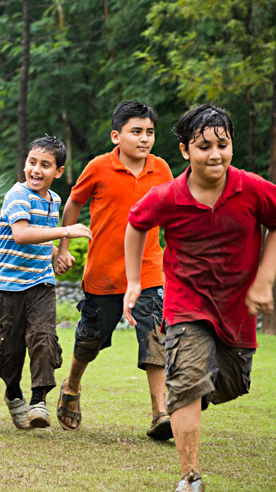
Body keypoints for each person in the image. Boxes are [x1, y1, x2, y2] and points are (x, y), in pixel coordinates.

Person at [124, 104, 276, 492]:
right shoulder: (168, 196)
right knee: (189, 379)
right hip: (185, 305)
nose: (214, 154)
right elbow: (136, 224)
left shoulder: (253, 189)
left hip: (236, 309)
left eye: (222, 145)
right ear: (184, 151)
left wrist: (264, 280)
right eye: (204, 146)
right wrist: (134, 282)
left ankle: (190, 392)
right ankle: (190, 477)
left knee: (232, 383)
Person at [55, 101, 174, 438]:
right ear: (116, 135)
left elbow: (173, 214)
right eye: (136, 132)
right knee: (90, 339)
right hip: (104, 274)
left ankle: (160, 413)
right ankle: (72, 386)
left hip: (150, 271)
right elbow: (74, 202)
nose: (144, 139)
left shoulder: (162, 170)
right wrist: (64, 246)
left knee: (155, 337)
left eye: (149, 132)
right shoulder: (98, 167)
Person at [0, 135, 92, 431]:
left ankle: (38, 401)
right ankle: (13, 393)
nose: (36, 170)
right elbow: (22, 234)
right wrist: (67, 231)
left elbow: (42, 236)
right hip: (7, 286)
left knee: (44, 340)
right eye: (32, 163)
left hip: (40, 283)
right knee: (10, 350)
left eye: (45, 165)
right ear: (24, 164)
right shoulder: (17, 195)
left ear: (58, 171)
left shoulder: (54, 200)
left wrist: (58, 255)